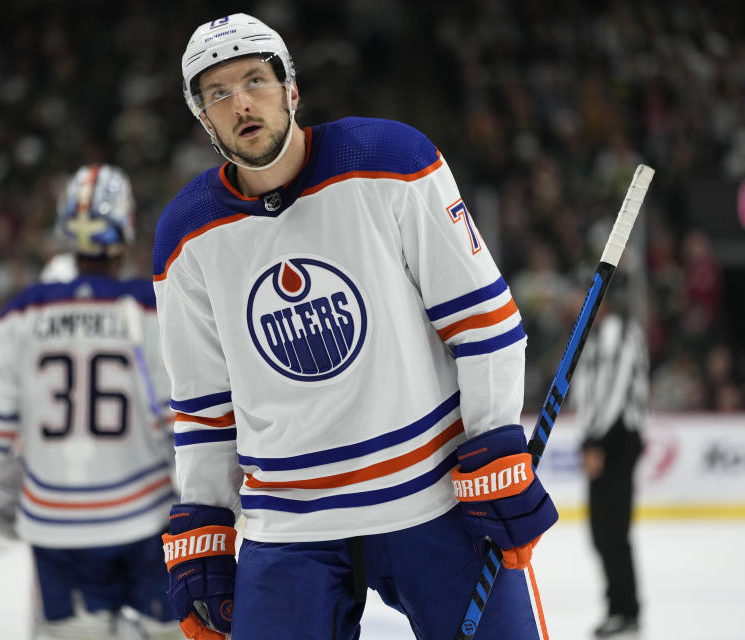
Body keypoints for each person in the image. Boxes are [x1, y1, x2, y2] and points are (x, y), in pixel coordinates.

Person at [152, 14, 558, 640]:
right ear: (203, 118)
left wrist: (496, 441)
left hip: (432, 496)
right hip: (289, 522)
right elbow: (205, 405)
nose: (241, 103)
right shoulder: (186, 235)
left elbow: (484, 319)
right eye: (218, 93)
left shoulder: (390, 162)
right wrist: (205, 517)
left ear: (291, 90)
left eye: (255, 80)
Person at [0, 164, 180, 640]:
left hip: (57, 531)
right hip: (144, 522)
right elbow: (191, 424)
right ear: (127, 226)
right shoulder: (153, 308)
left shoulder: (23, 313)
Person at [573, 286, 647, 638]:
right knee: (603, 532)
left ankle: (625, 609)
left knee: (612, 531)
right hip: (602, 440)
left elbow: (614, 392)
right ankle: (619, 606)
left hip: (615, 441)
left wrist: (595, 442)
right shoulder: (598, 333)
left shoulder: (618, 333)